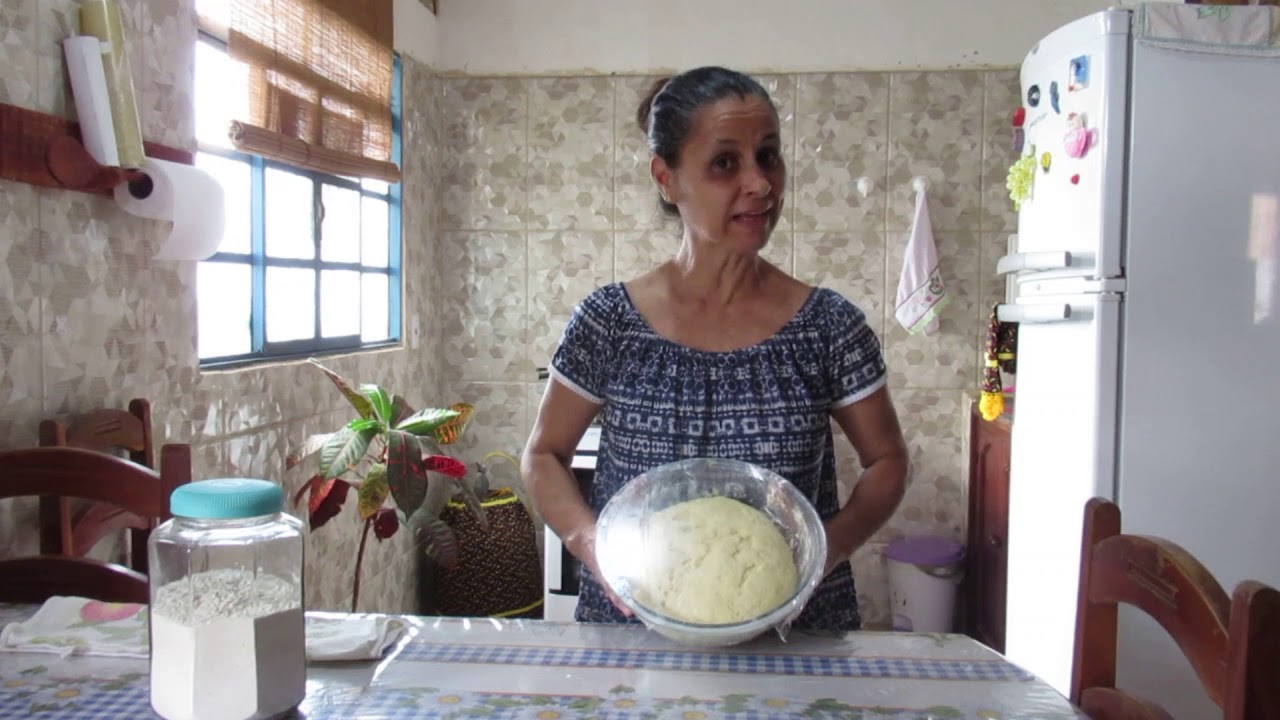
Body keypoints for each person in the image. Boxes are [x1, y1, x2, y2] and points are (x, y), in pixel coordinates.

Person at [521, 66, 908, 631]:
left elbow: (888, 462)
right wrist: (589, 542)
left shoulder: (828, 327)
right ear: (667, 179)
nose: (760, 183)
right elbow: (543, 456)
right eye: (725, 163)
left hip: (793, 636)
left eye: (769, 156)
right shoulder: (609, 322)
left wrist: (824, 552)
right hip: (636, 631)